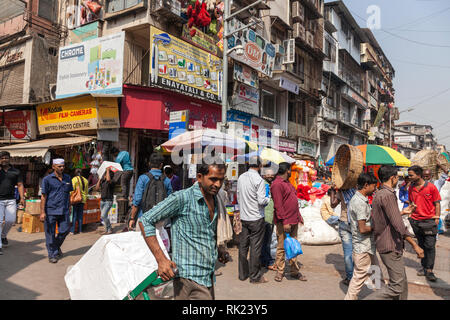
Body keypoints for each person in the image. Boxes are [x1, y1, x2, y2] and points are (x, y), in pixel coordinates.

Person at [139, 163, 229, 300]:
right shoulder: (182, 198)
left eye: (221, 180)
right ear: (199, 177)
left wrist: (219, 248)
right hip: (188, 278)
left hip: (207, 276)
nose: (217, 184)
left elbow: (207, 231)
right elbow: (145, 220)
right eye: (213, 179)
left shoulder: (216, 199)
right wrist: (161, 260)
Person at [366, 165, 424, 300]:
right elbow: (398, 224)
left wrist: (403, 212)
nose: (398, 180)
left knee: (402, 282)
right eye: (397, 177)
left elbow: (389, 218)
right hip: (389, 245)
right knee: (397, 286)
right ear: (393, 178)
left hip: (389, 243)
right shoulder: (387, 195)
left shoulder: (381, 193)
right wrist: (415, 245)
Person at [344, 173, 378, 300]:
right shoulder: (359, 202)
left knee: (376, 272)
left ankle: (380, 295)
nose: (375, 189)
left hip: (367, 245)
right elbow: (363, 229)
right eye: (374, 186)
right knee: (358, 277)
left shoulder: (360, 199)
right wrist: (378, 227)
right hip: (363, 247)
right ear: (366, 185)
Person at [271, 162, 307, 282]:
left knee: (293, 246)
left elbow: (292, 201)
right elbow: (278, 205)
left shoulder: (288, 183)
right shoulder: (276, 184)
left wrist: (299, 216)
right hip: (284, 221)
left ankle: (294, 271)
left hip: (293, 220)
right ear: (287, 170)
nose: (291, 171)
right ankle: (280, 271)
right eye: (290, 169)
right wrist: (285, 221)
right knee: (281, 247)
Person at [236, 156, 270, 284]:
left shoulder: (241, 177)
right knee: (255, 248)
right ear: (260, 166)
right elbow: (262, 201)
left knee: (243, 246)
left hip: (244, 217)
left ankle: (242, 274)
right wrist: (268, 197)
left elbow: (239, 196)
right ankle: (255, 276)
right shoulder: (259, 180)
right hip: (256, 218)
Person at [407, 165, 441, 282]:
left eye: (411, 175)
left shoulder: (431, 187)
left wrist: (436, 218)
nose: (409, 177)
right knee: (421, 245)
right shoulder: (411, 187)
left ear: (419, 175)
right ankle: (423, 267)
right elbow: (411, 201)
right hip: (416, 221)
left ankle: (430, 270)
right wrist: (411, 216)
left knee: (430, 246)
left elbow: (437, 203)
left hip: (429, 221)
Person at [40, 159, 73, 263]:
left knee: (65, 230)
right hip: (51, 210)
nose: (62, 168)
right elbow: (43, 196)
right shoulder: (47, 179)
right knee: (50, 233)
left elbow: (69, 194)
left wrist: (70, 207)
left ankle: (55, 247)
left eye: (63, 166)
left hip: (64, 210)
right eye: (59, 166)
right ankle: (52, 254)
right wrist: (42, 212)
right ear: (53, 166)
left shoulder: (67, 178)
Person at [128, 153, 173, 230]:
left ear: (149, 163)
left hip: (144, 218)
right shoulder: (167, 180)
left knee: (142, 240)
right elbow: (170, 200)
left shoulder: (143, 178)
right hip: (160, 219)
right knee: (158, 241)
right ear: (161, 165)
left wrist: (132, 218)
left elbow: (137, 201)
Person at [330, 185, 356, 285]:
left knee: (348, 253)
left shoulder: (341, 191)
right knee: (358, 251)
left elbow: (333, 204)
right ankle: (359, 276)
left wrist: (332, 191)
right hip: (356, 224)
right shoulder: (358, 189)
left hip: (344, 222)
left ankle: (350, 278)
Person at [0, 151, 24, 254]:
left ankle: (3, 235)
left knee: (10, 221)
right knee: (0, 222)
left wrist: (22, 198)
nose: (4, 159)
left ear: (10, 159)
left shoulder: (16, 171)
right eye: (2, 158)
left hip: (11, 199)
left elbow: (20, 185)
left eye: (6, 158)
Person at [260, 167, 276, 271]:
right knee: (268, 241)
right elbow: (265, 200)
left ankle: (263, 261)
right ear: (264, 175)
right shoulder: (265, 185)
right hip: (266, 217)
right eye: (268, 174)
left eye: (271, 174)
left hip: (270, 216)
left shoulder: (271, 185)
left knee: (266, 240)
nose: (270, 176)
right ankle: (268, 262)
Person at [95, 166, 115, 235]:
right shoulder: (103, 182)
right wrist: (99, 179)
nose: (104, 175)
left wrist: (108, 170)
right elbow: (97, 188)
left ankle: (109, 229)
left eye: (105, 174)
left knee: (103, 215)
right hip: (102, 201)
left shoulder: (112, 182)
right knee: (104, 216)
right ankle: (107, 229)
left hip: (108, 201)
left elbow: (108, 179)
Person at [70, 169, 89, 235]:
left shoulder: (74, 179)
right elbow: (86, 192)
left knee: (74, 215)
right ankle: (80, 230)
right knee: (80, 215)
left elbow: (71, 190)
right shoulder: (86, 180)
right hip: (83, 199)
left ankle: (72, 230)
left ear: (75, 173)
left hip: (76, 199)